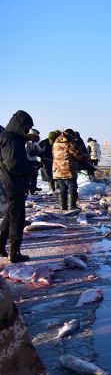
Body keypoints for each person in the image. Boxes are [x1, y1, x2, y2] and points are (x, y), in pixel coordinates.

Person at [0, 111, 35, 262]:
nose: (28, 131)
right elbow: (13, 164)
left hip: (9, 182)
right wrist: (30, 167)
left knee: (10, 216)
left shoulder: (9, 137)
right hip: (12, 183)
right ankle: (15, 253)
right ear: (20, 125)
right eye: (27, 127)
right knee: (17, 218)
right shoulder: (11, 139)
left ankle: (1, 246)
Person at [53, 128, 90, 212]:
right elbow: (77, 153)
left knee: (62, 188)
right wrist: (86, 157)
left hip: (57, 169)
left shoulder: (56, 142)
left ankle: (63, 206)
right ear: (71, 135)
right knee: (72, 187)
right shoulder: (69, 143)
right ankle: (72, 206)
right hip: (67, 169)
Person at [25, 129, 43, 195]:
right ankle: (28, 190)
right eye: (34, 136)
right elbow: (26, 151)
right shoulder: (26, 142)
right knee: (28, 176)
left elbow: (40, 150)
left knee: (34, 175)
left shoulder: (35, 142)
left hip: (33, 160)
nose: (35, 137)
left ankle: (32, 189)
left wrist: (38, 149)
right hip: (27, 161)